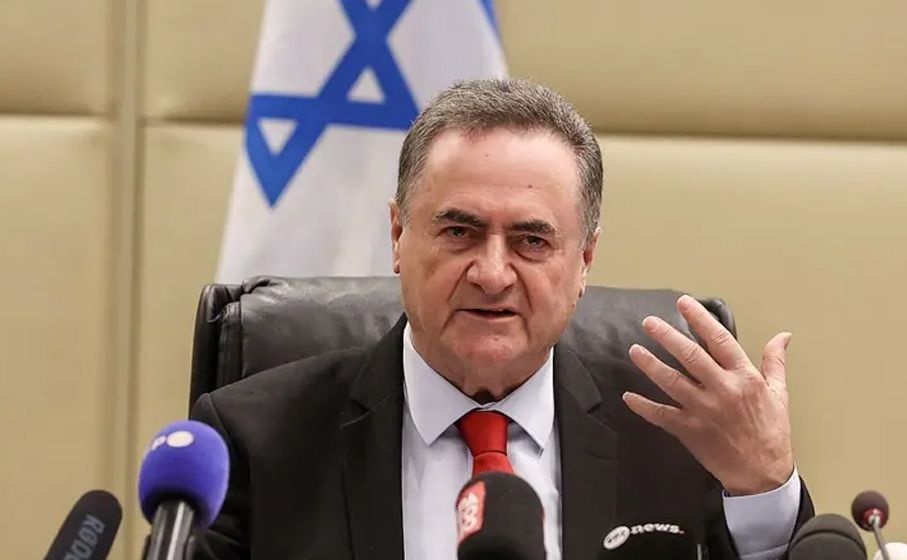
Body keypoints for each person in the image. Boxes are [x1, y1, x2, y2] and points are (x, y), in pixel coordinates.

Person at [191, 78, 814, 560]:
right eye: (459, 232)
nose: (492, 274)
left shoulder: (679, 444)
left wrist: (763, 488)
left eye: (531, 241)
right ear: (398, 236)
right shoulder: (255, 441)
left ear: (584, 260)